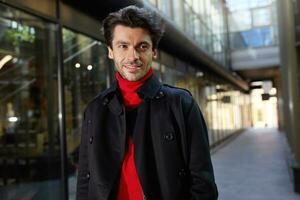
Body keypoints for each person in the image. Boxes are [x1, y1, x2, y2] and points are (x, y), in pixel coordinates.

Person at [76, 5, 218, 200]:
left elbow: (203, 184)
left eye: (142, 46)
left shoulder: (181, 104)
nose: (133, 56)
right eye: (123, 46)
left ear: (154, 51)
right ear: (110, 51)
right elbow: (85, 178)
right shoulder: (95, 109)